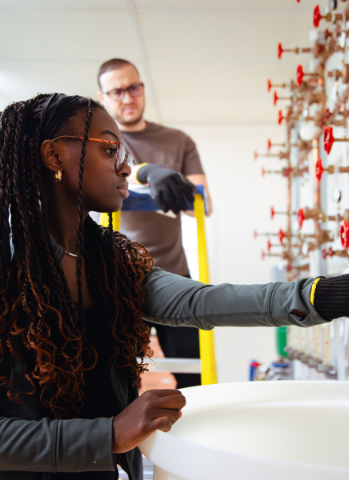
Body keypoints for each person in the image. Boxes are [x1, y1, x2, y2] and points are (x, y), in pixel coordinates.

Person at [0, 94, 349, 480]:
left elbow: (204, 302)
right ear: (53, 157)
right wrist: (106, 435)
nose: (125, 166)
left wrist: (348, 295)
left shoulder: (113, 263)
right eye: (110, 148)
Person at [97, 58, 211, 388]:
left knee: (195, 375)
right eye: (116, 91)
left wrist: (178, 184)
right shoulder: (99, 142)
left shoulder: (178, 141)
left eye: (133, 87)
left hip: (175, 275)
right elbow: (108, 177)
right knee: (114, 379)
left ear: (142, 88)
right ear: (103, 97)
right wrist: (147, 171)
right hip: (118, 278)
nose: (127, 97)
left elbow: (202, 206)